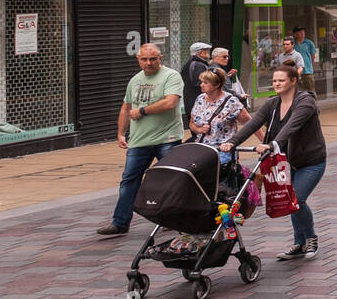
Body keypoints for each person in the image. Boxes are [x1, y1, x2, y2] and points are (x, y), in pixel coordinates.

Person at [221, 64, 326, 260]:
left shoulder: (306, 102)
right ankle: (299, 243)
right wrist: (232, 142)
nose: (276, 84)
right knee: (291, 201)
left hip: (311, 161)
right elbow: (253, 123)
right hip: (286, 161)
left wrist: (272, 144)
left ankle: (311, 238)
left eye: (281, 80)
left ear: (293, 81)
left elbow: (292, 127)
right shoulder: (272, 103)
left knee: (298, 199)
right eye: (274, 81)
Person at [98, 43, 184, 236]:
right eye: (144, 59)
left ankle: (172, 218)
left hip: (167, 138)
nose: (148, 63)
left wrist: (143, 110)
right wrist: (121, 133)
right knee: (129, 181)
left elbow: (170, 102)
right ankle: (120, 223)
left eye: (153, 59)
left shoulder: (171, 76)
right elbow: (126, 108)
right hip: (139, 140)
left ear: (160, 58)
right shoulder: (135, 80)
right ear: (138, 59)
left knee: (171, 180)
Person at [188, 68, 252, 161]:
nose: (201, 85)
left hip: (223, 152)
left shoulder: (231, 102)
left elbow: (251, 125)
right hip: (202, 150)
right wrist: (199, 129)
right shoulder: (200, 99)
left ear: (217, 84)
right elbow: (191, 123)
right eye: (201, 82)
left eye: (205, 83)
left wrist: (265, 142)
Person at [181, 42, 212, 127]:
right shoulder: (198, 65)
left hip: (192, 103)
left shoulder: (190, 64)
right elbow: (201, 84)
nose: (208, 52)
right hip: (197, 104)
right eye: (206, 51)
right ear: (200, 53)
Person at [291, 26, 319, 92]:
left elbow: (313, 57)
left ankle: (312, 102)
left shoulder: (309, 43)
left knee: (311, 91)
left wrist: (309, 67)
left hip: (307, 72)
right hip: (295, 72)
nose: (302, 33)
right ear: (295, 34)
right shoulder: (293, 44)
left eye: (303, 31)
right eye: (300, 31)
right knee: (296, 92)